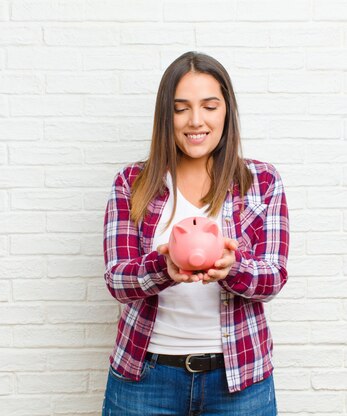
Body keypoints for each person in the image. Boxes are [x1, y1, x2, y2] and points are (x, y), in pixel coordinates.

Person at [101, 51, 290, 415]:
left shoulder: (262, 181)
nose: (196, 120)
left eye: (209, 106)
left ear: (226, 112)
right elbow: (116, 280)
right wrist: (163, 266)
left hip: (239, 379)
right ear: (165, 116)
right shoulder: (132, 183)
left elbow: (274, 276)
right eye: (181, 107)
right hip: (145, 378)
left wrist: (232, 268)